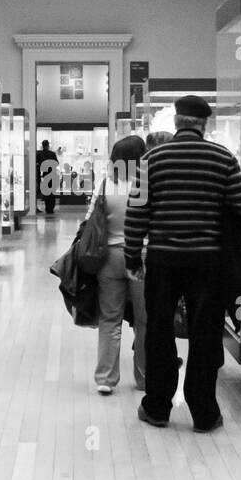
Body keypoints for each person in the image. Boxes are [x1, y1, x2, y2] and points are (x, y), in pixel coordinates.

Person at [124, 95, 241, 432]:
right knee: (205, 334)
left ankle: (157, 407)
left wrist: (131, 255)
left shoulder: (150, 159)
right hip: (207, 262)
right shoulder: (222, 158)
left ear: (177, 122)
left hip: (163, 259)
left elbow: (136, 212)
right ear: (204, 124)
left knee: (158, 331)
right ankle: (203, 412)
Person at [89, 135, 148, 395]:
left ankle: (105, 378)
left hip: (109, 257)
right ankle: (145, 377)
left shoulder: (105, 184)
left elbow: (90, 218)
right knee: (145, 321)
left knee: (110, 319)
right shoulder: (147, 184)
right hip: (143, 257)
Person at [36, 139, 59, 215]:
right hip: (52, 174)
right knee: (52, 192)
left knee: (46, 192)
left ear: (42, 146)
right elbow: (56, 163)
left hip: (45, 175)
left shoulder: (39, 154)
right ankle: (51, 208)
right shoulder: (52, 153)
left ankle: (47, 208)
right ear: (48, 145)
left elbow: (38, 164)